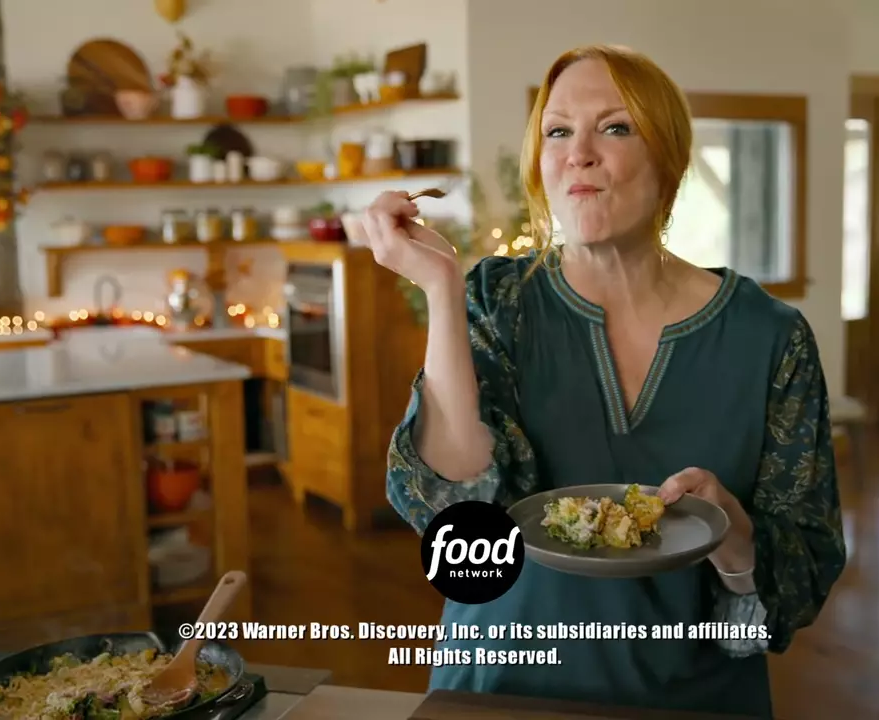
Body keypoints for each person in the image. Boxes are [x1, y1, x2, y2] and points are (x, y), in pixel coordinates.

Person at [361, 44, 846, 719]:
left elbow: (800, 580)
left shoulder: (771, 336)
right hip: (501, 692)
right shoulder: (496, 301)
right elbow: (455, 512)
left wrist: (732, 529)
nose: (578, 154)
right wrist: (441, 289)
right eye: (557, 131)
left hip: (693, 700)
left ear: (670, 156)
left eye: (615, 127)